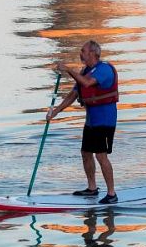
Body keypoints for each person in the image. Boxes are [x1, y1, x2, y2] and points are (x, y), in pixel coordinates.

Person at [46, 40, 120, 204]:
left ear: (93, 53)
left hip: (105, 121)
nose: (81, 54)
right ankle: (92, 189)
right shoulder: (85, 70)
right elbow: (73, 95)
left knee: (101, 156)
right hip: (91, 121)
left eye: (83, 51)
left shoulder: (104, 69)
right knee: (86, 153)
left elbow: (87, 83)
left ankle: (112, 194)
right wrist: (55, 112)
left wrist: (68, 70)